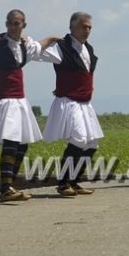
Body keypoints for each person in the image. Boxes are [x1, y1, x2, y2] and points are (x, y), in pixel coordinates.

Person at [0, 9, 60, 201]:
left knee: (22, 145)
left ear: (23, 25)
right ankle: (6, 187)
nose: (13, 26)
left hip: (21, 101)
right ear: (6, 25)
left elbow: (39, 46)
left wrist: (53, 38)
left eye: (17, 23)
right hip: (6, 100)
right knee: (11, 142)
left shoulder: (26, 46)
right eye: (10, 23)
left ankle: (10, 184)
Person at [40, 12, 102, 197]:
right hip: (69, 102)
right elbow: (36, 52)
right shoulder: (61, 48)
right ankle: (63, 183)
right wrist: (50, 38)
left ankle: (73, 182)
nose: (87, 30)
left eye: (89, 27)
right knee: (79, 139)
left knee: (92, 144)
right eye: (84, 26)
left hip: (85, 103)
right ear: (72, 28)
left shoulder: (88, 49)